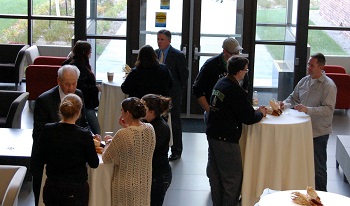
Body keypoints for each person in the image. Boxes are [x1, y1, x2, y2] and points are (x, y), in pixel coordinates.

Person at [30, 65, 98, 206]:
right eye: (67, 84)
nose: (71, 88)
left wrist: (90, 136)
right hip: (49, 162)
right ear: (58, 81)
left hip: (72, 164)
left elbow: (83, 122)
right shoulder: (44, 100)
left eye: (74, 83)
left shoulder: (79, 94)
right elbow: (38, 134)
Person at [206, 56, 266, 205]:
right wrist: (261, 113)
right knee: (232, 180)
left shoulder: (220, 83)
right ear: (239, 72)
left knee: (216, 177)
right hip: (226, 139)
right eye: (245, 70)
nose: (246, 73)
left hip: (213, 134)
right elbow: (249, 117)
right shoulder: (235, 90)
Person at [282, 53, 337, 191]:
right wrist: (283, 104)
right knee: (301, 164)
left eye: (312, 65)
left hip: (318, 132)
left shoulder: (328, 86)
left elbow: (328, 110)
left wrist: (308, 109)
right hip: (302, 130)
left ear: (321, 67)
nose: (309, 68)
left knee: (318, 167)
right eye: (308, 64)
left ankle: (321, 196)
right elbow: (293, 98)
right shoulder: (304, 81)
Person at [102, 97, 156, 206]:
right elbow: (137, 147)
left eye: (122, 110)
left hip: (125, 185)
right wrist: (127, 127)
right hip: (144, 183)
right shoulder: (150, 129)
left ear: (127, 113)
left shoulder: (123, 134)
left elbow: (106, 158)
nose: (121, 113)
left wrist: (108, 143)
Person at [192, 37, 248, 121]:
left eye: (238, 52)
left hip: (234, 113)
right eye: (233, 53)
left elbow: (245, 88)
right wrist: (209, 111)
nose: (236, 56)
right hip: (216, 111)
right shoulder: (211, 65)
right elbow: (197, 89)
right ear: (224, 51)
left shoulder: (241, 65)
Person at [155, 29, 189, 161]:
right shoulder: (155, 54)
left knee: (174, 122)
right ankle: (161, 149)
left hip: (173, 94)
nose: (159, 42)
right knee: (160, 122)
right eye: (158, 39)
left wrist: (177, 91)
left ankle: (176, 150)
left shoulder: (177, 55)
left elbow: (184, 76)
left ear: (169, 40)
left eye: (162, 39)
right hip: (158, 95)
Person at [64, 40, 101, 135]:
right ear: (85, 52)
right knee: (96, 130)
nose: (91, 54)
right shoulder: (81, 67)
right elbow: (82, 87)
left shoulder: (69, 63)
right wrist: (95, 88)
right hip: (86, 102)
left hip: (82, 101)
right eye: (90, 51)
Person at [141, 94, 172, 206]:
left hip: (159, 176)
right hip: (153, 173)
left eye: (143, 108)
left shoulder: (160, 128)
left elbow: (147, 150)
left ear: (152, 112)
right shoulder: (147, 123)